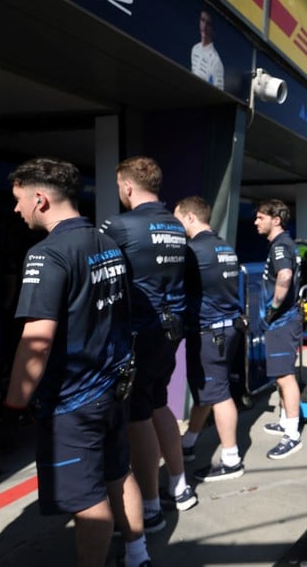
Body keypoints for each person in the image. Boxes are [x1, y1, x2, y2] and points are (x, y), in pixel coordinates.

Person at [4, 158, 152, 567]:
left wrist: (14, 405)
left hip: (72, 401)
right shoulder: (109, 243)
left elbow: (37, 340)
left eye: (18, 201)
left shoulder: (47, 254)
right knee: (118, 473)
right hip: (112, 389)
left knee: (89, 505)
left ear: (40, 199)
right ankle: (138, 555)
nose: (16, 210)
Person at [100, 156, 197, 533]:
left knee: (137, 415)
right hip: (170, 331)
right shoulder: (176, 224)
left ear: (126, 186)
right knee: (159, 404)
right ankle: (180, 486)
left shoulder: (119, 226)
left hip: (138, 332)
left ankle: (152, 507)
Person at [173, 196, 245, 482]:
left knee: (219, 394)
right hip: (226, 329)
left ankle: (231, 459)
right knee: (208, 387)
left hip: (210, 331)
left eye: (178, 218)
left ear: (190, 218)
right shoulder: (224, 246)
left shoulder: (194, 251)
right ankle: (189, 443)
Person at [254, 199, 304, 460]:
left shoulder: (280, 245)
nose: (255, 222)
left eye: (260, 217)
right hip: (283, 321)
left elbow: (284, 275)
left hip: (282, 321)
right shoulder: (282, 244)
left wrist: (273, 308)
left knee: (285, 376)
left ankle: (292, 434)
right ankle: (286, 422)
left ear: (276, 220)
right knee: (281, 375)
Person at [191, 10, 224, 90]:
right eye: (202, 20)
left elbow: (219, 93)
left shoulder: (216, 61)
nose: (204, 27)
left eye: (208, 24)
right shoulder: (195, 48)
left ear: (213, 29)